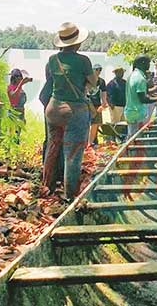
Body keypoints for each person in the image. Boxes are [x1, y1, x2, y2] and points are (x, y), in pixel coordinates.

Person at [43, 22, 98, 201]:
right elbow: (93, 83)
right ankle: (69, 195)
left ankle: (47, 188)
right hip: (75, 111)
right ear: (77, 43)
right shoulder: (83, 61)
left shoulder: (52, 60)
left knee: (53, 148)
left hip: (53, 108)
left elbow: (50, 80)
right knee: (72, 154)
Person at [124, 55, 157, 137]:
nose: (149, 66)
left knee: (132, 138)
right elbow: (143, 99)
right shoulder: (140, 79)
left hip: (131, 112)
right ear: (143, 63)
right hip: (136, 113)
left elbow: (146, 92)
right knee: (135, 140)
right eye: (148, 63)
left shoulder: (132, 75)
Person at [87, 63, 109, 146]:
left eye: (100, 70)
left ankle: (90, 143)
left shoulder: (101, 81)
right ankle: (87, 142)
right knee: (87, 125)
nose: (98, 71)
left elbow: (104, 94)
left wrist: (103, 105)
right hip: (88, 105)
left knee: (95, 124)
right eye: (96, 69)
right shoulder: (87, 80)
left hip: (97, 105)